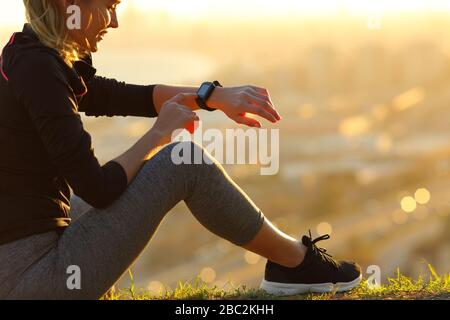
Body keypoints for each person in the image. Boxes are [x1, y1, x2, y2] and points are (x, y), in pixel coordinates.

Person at [0, 0, 361, 299]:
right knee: (182, 162)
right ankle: (294, 264)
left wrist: (212, 96)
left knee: (141, 175)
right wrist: (159, 134)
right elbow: (98, 188)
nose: (114, 21)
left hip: (24, 262)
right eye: (108, 7)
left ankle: (291, 265)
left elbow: (121, 95)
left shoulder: (26, 53)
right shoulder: (40, 70)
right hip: (33, 279)